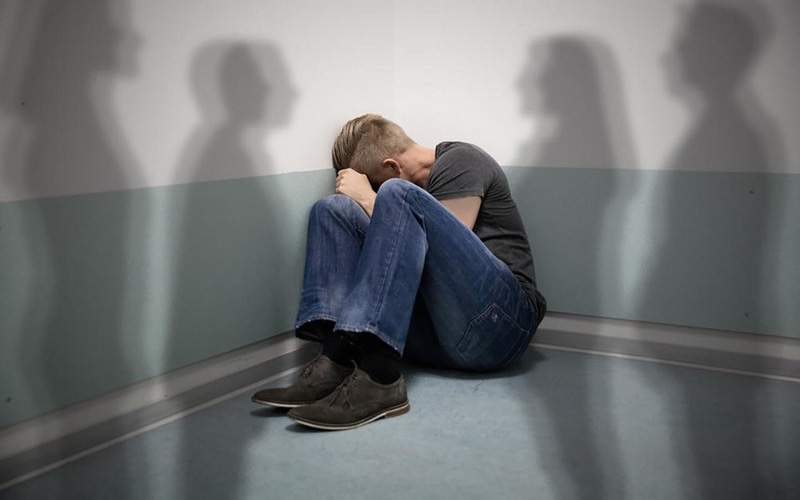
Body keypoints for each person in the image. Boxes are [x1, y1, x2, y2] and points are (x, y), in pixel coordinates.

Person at [252, 114, 546, 430]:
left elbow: (443, 253)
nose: (377, 194)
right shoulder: (406, 192)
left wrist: (370, 198)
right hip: (439, 335)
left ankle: (380, 377)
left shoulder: (462, 160)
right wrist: (360, 201)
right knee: (333, 210)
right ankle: (337, 359)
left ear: (392, 165)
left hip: (500, 328)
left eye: (376, 183)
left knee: (398, 194)